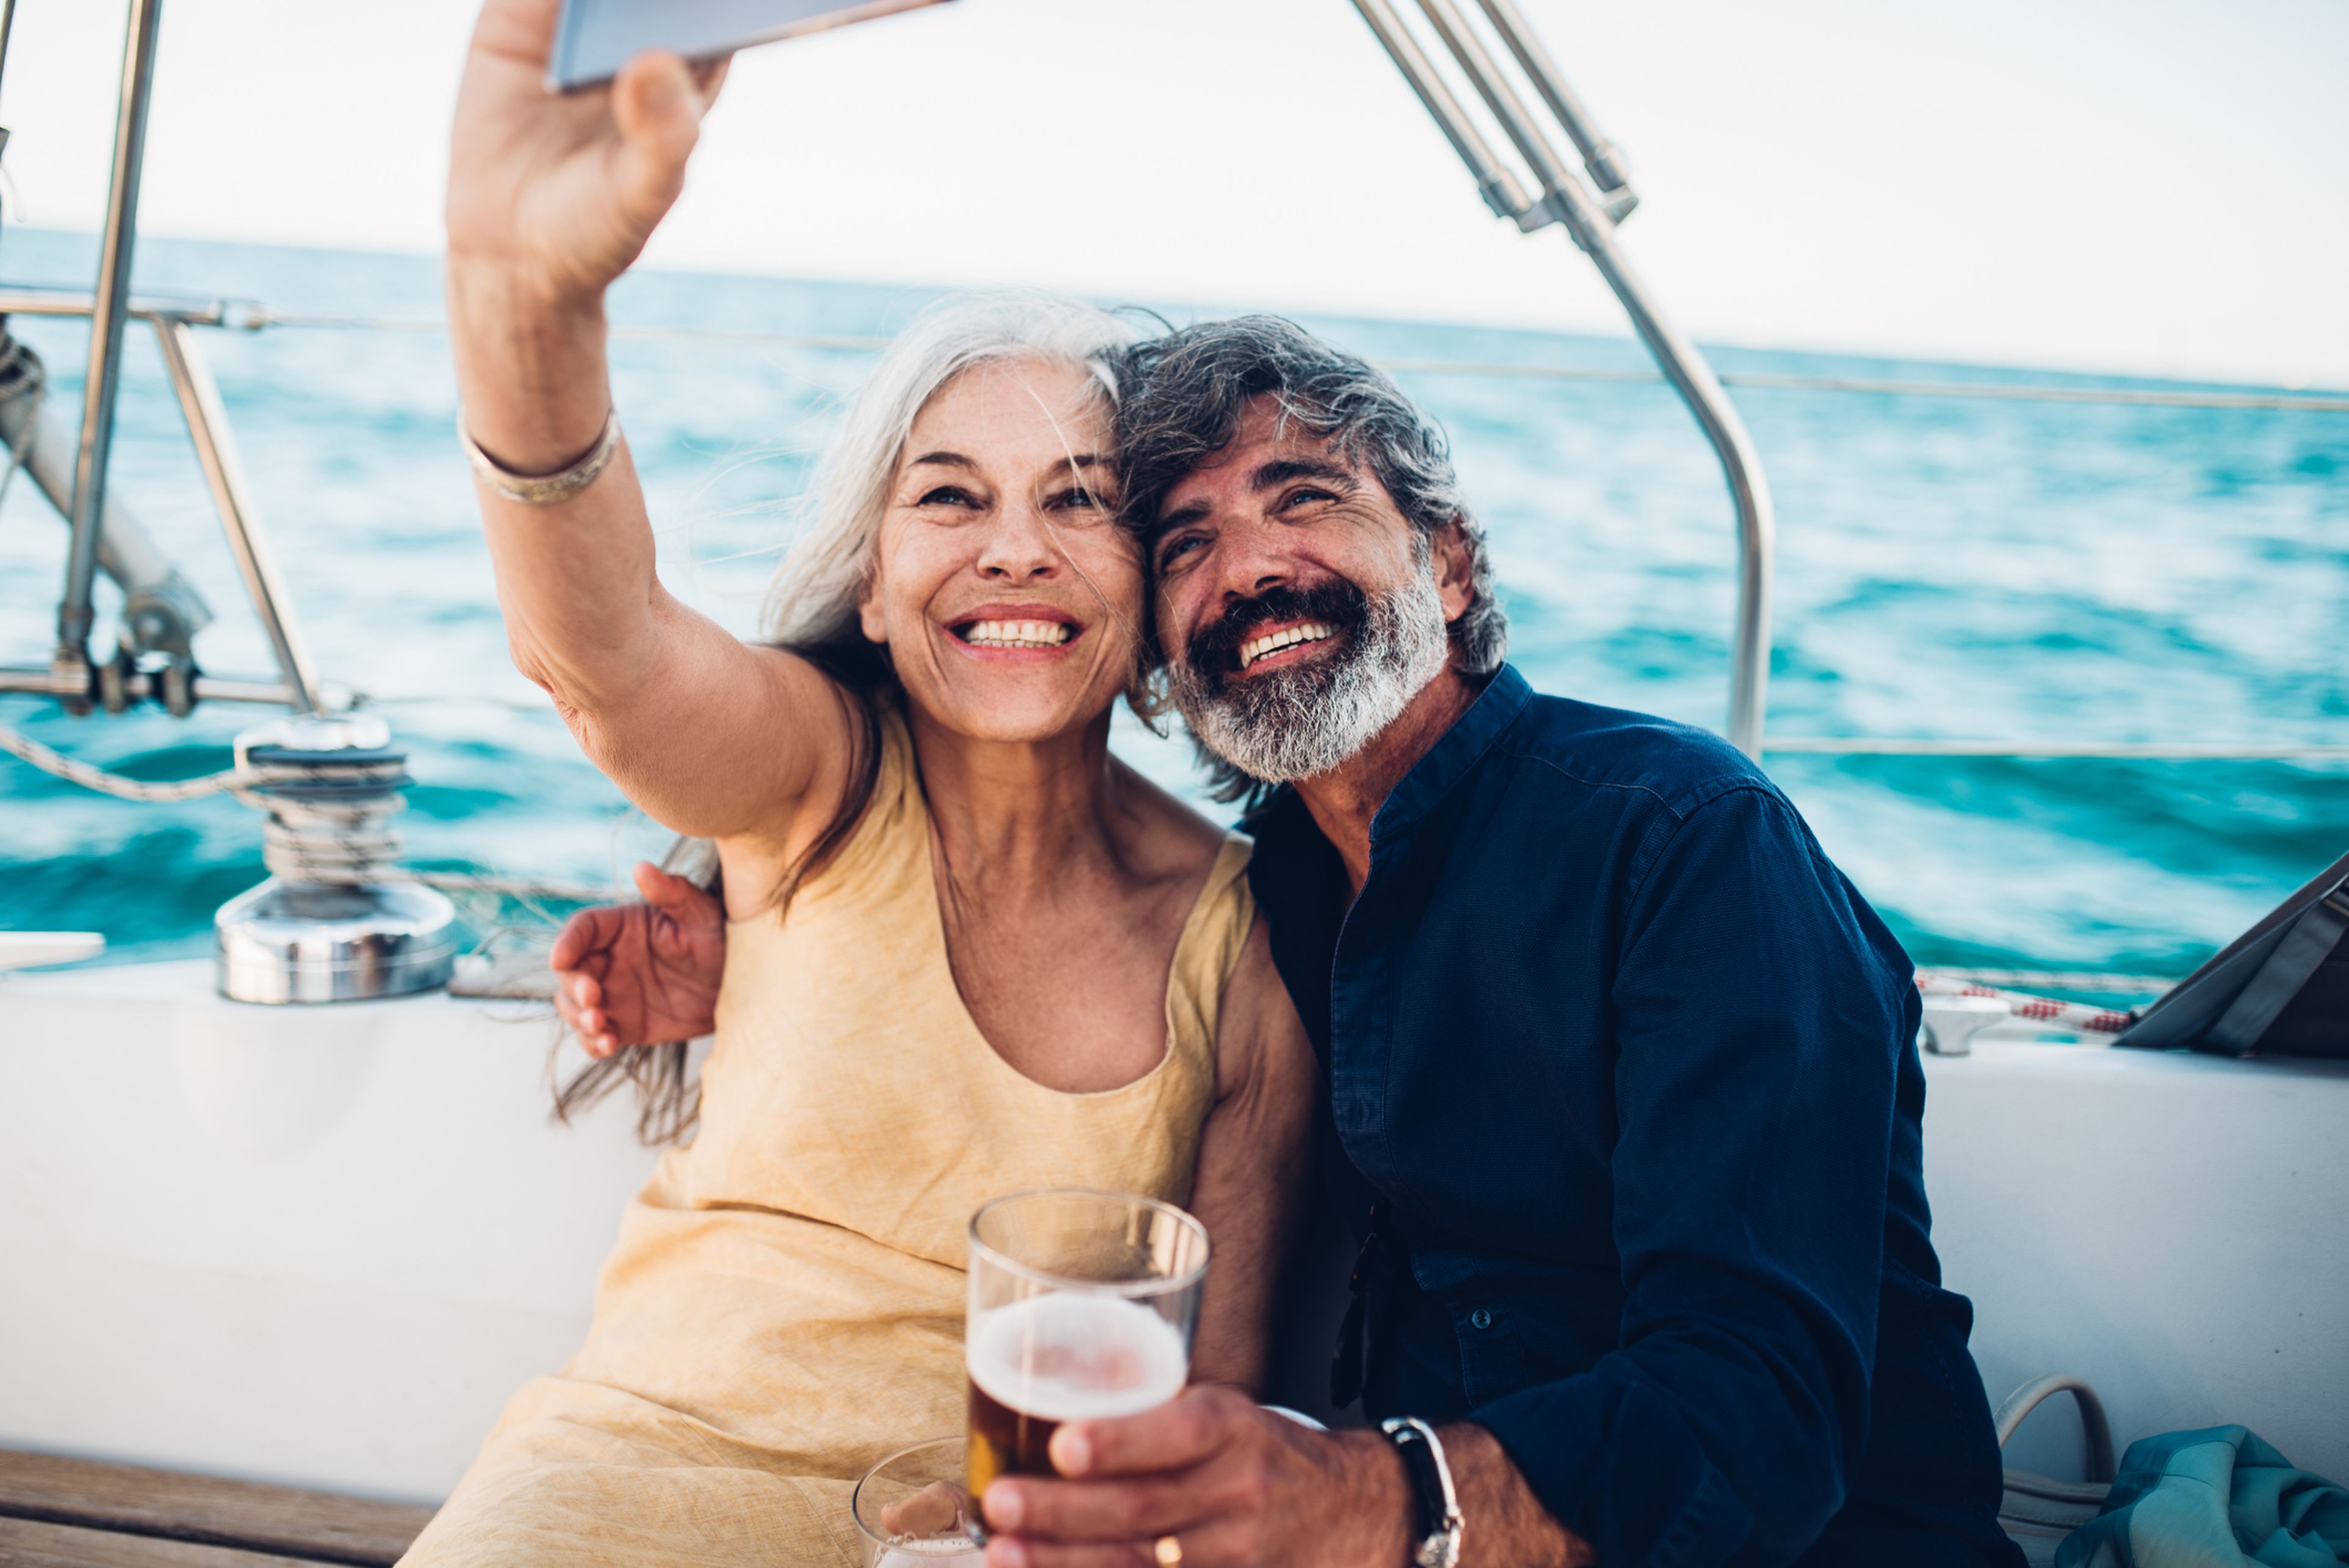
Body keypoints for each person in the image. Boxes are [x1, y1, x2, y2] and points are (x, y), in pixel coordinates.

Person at [566, 317, 2029, 1568]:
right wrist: (751, 968)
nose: (1250, 570)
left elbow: (1763, 1414)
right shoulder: (1272, 903)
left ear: (1450, 565)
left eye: (1305, 500)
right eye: (1188, 541)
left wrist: (1371, 1498)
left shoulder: (1683, 841)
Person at [407, 4, 1316, 1564]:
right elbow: (605, 658)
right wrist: (524, 306)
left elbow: (1209, 1436)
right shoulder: (814, 775)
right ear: (881, 586)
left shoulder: (1245, 950)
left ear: (1156, 586)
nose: (1012, 548)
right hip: (615, 1489)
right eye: (948, 496)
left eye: (1079, 503)